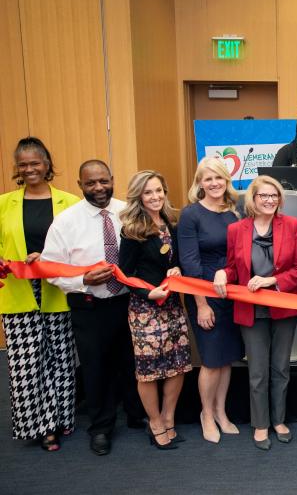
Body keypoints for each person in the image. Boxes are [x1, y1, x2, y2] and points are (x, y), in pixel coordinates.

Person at [42, 160, 144, 456]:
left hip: (128, 302)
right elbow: (49, 269)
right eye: (90, 183)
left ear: (112, 179)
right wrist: (81, 279)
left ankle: (137, 414)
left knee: (132, 362)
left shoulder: (127, 212)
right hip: (89, 305)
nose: (98, 188)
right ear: (80, 185)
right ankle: (101, 427)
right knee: (96, 368)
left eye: (103, 181)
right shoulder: (66, 221)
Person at [213, 175, 297, 450]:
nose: (269, 200)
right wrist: (222, 272)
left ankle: (278, 421)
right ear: (252, 200)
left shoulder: (291, 226)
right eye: (263, 196)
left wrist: (271, 281)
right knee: (257, 372)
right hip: (250, 309)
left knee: (280, 368)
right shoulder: (237, 230)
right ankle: (261, 424)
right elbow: (233, 269)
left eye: (274, 195)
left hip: (283, 306)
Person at [0, 138, 79, 451]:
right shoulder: (4, 203)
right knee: (25, 362)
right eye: (24, 164)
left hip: (57, 291)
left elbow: (78, 249)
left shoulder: (70, 203)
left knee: (60, 359)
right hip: (18, 293)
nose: (30, 169)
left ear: (48, 164)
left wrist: (49, 261)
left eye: (35, 163)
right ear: (18, 169)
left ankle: (61, 420)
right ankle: (38, 426)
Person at [118, 170, 191, 450]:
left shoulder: (171, 222)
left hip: (172, 305)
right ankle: (155, 422)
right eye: (148, 192)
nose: (155, 196)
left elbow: (180, 259)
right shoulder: (132, 229)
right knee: (148, 370)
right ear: (139, 196)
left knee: (177, 365)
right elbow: (124, 274)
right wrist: (148, 291)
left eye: (159, 190)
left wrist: (178, 269)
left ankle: (169, 417)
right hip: (145, 309)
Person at [177, 157, 243, 444]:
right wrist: (201, 304)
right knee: (211, 359)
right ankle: (206, 414)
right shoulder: (191, 215)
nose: (214, 183)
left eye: (219, 178)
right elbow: (189, 263)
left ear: (226, 180)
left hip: (231, 293)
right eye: (208, 179)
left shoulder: (234, 212)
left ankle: (220, 411)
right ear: (199, 183)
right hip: (204, 293)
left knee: (227, 358)